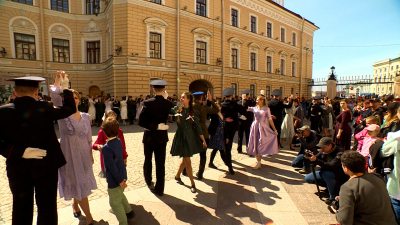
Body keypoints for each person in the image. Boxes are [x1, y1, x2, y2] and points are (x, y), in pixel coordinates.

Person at [0, 74, 76, 225]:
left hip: (18, 168)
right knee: (47, 207)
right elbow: (69, 109)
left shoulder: (3, 111)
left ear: (14, 92)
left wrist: (18, 151)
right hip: (46, 167)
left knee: (21, 208)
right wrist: (66, 88)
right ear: (36, 91)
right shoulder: (45, 108)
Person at [51, 73, 97, 225]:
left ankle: (75, 204)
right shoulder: (62, 114)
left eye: (76, 97)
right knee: (77, 181)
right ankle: (89, 217)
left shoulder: (85, 117)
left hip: (83, 152)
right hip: (68, 152)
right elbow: (55, 97)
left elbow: (89, 138)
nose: (74, 99)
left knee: (82, 180)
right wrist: (59, 80)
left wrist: (90, 155)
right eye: (71, 97)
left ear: (79, 99)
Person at [335, 151, 397, 225]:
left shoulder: (348, 187)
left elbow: (345, 221)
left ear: (346, 168)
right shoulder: (377, 178)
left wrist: (337, 211)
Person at [138, 80, 173, 196]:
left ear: (153, 90)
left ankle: (148, 181)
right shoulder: (168, 104)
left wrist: (154, 127)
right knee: (160, 163)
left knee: (148, 160)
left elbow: (141, 121)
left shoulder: (148, 103)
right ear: (163, 90)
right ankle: (160, 189)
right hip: (162, 137)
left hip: (149, 137)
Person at [101, 117, 135, 225]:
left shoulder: (106, 148)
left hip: (115, 179)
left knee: (115, 203)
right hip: (122, 174)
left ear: (105, 132)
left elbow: (111, 166)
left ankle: (123, 222)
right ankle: (129, 211)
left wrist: (119, 180)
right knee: (120, 195)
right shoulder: (118, 140)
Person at [171, 92, 207, 193]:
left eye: (183, 97)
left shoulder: (193, 112)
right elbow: (167, 110)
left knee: (185, 159)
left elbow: (198, 128)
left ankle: (177, 176)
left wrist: (203, 140)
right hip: (181, 137)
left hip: (189, 137)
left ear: (188, 100)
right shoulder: (177, 109)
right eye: (181, 97)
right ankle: (192, 183)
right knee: (187, 160)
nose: (181, 99)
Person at [304, 137, 348, 204]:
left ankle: (333, 196)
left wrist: (316, 160)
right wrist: (309, 157)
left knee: (326, 174)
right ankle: (328, 187)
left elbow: (331, 166)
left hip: (338, 176)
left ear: (330, 146)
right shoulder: (324, 151)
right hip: (325, 172)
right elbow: (316, 160)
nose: (321, 149)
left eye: (323, 147)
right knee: (307, 178)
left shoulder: (339, 153)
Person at [189, 91, 219, 180]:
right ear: (201, 98)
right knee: (203, 155)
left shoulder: (190, 107)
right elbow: (216, 109)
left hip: (192, 132)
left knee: (187, 153)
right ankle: (200, 173)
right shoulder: (204, 108)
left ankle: (185, 170)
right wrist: (211, 100)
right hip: (203, 132)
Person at [247, 95, 279, 170]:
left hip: (262, 128)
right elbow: (245, 108)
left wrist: (274, 130)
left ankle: (259, 162)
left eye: (258, 100)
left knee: (260, 143)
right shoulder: (254, 108)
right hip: (254, 127)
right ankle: (258, 161)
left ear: (262, 101)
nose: (256, 101)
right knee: (255, 143)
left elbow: (270, 120)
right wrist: (244, 99)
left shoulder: (266, 109)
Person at [93, 110, 128, 178]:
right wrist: (98, 146)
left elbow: (123, 145)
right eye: (110, 120)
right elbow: (95, 144)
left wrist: (124, 156)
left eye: (114, 120)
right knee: (111, 180)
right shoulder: (102, 132)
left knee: (121, 177)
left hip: (118, 159)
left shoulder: (119, 131)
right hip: (108, 160)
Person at [220, 88, 247, 175]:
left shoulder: (222, 104)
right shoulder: (235, 104)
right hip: (233, 128)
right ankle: (229, 166)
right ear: (231, 96)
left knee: (225, 146)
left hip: (224, 127)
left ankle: (224, 161)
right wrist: (244, 99)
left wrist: (224, 119)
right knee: (229, 144)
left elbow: (218, 115)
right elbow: (243, 110)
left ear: (224, 96)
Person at [208, 101, 226, 169]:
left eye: (218, 107)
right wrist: (210, 101)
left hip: (221, 134)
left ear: (221, 107)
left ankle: (210, 163)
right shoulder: (214, 115)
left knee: (216, 149)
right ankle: (229, 166)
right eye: (215, 107)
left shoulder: (223, 114)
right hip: (216, 134)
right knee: (221, 150)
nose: (217, 108)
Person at [237, 89, 256, 153]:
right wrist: (240, 116)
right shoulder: (238, 102)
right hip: (241, 122)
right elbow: (237, 111)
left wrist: (245, 100)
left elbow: (247, 107)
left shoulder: (251, 102)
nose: (246, 96)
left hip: (248, 121)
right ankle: (239, 148)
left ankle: (249, 149)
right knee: (240, 136)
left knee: (248, 136)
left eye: (246, 95)